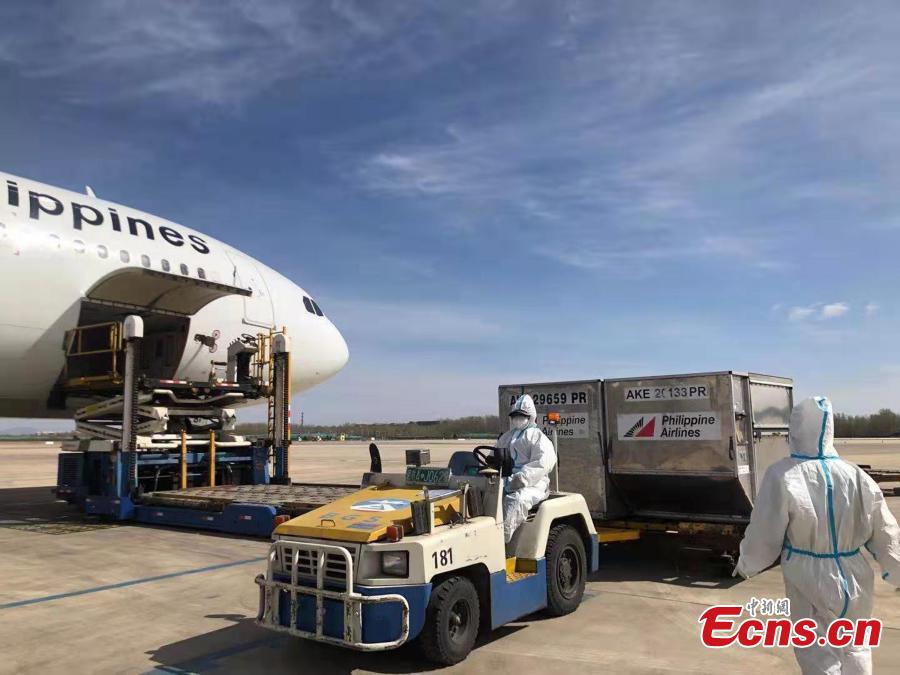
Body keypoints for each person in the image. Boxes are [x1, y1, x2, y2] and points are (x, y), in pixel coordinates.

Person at [735, 396, 900, 675]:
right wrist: (896, 569)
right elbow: (886, 531)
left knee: (816, 651)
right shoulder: (856, 475)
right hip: (854, 575)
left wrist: (747, 563)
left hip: (807, 575)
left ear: (795, 429)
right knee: (855, 644)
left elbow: (765, 531)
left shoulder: (783, 475)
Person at [496, 394, 556, 546]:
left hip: (533, 484)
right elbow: (494, 456)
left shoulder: (538, 437)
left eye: (522, 416)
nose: (518, 419)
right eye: (515, 416)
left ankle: (501, 542)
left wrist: (521, 479)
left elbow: (542, 464)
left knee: (516, 500)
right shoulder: (506, 437)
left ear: (530, 417)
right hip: (506, 480)